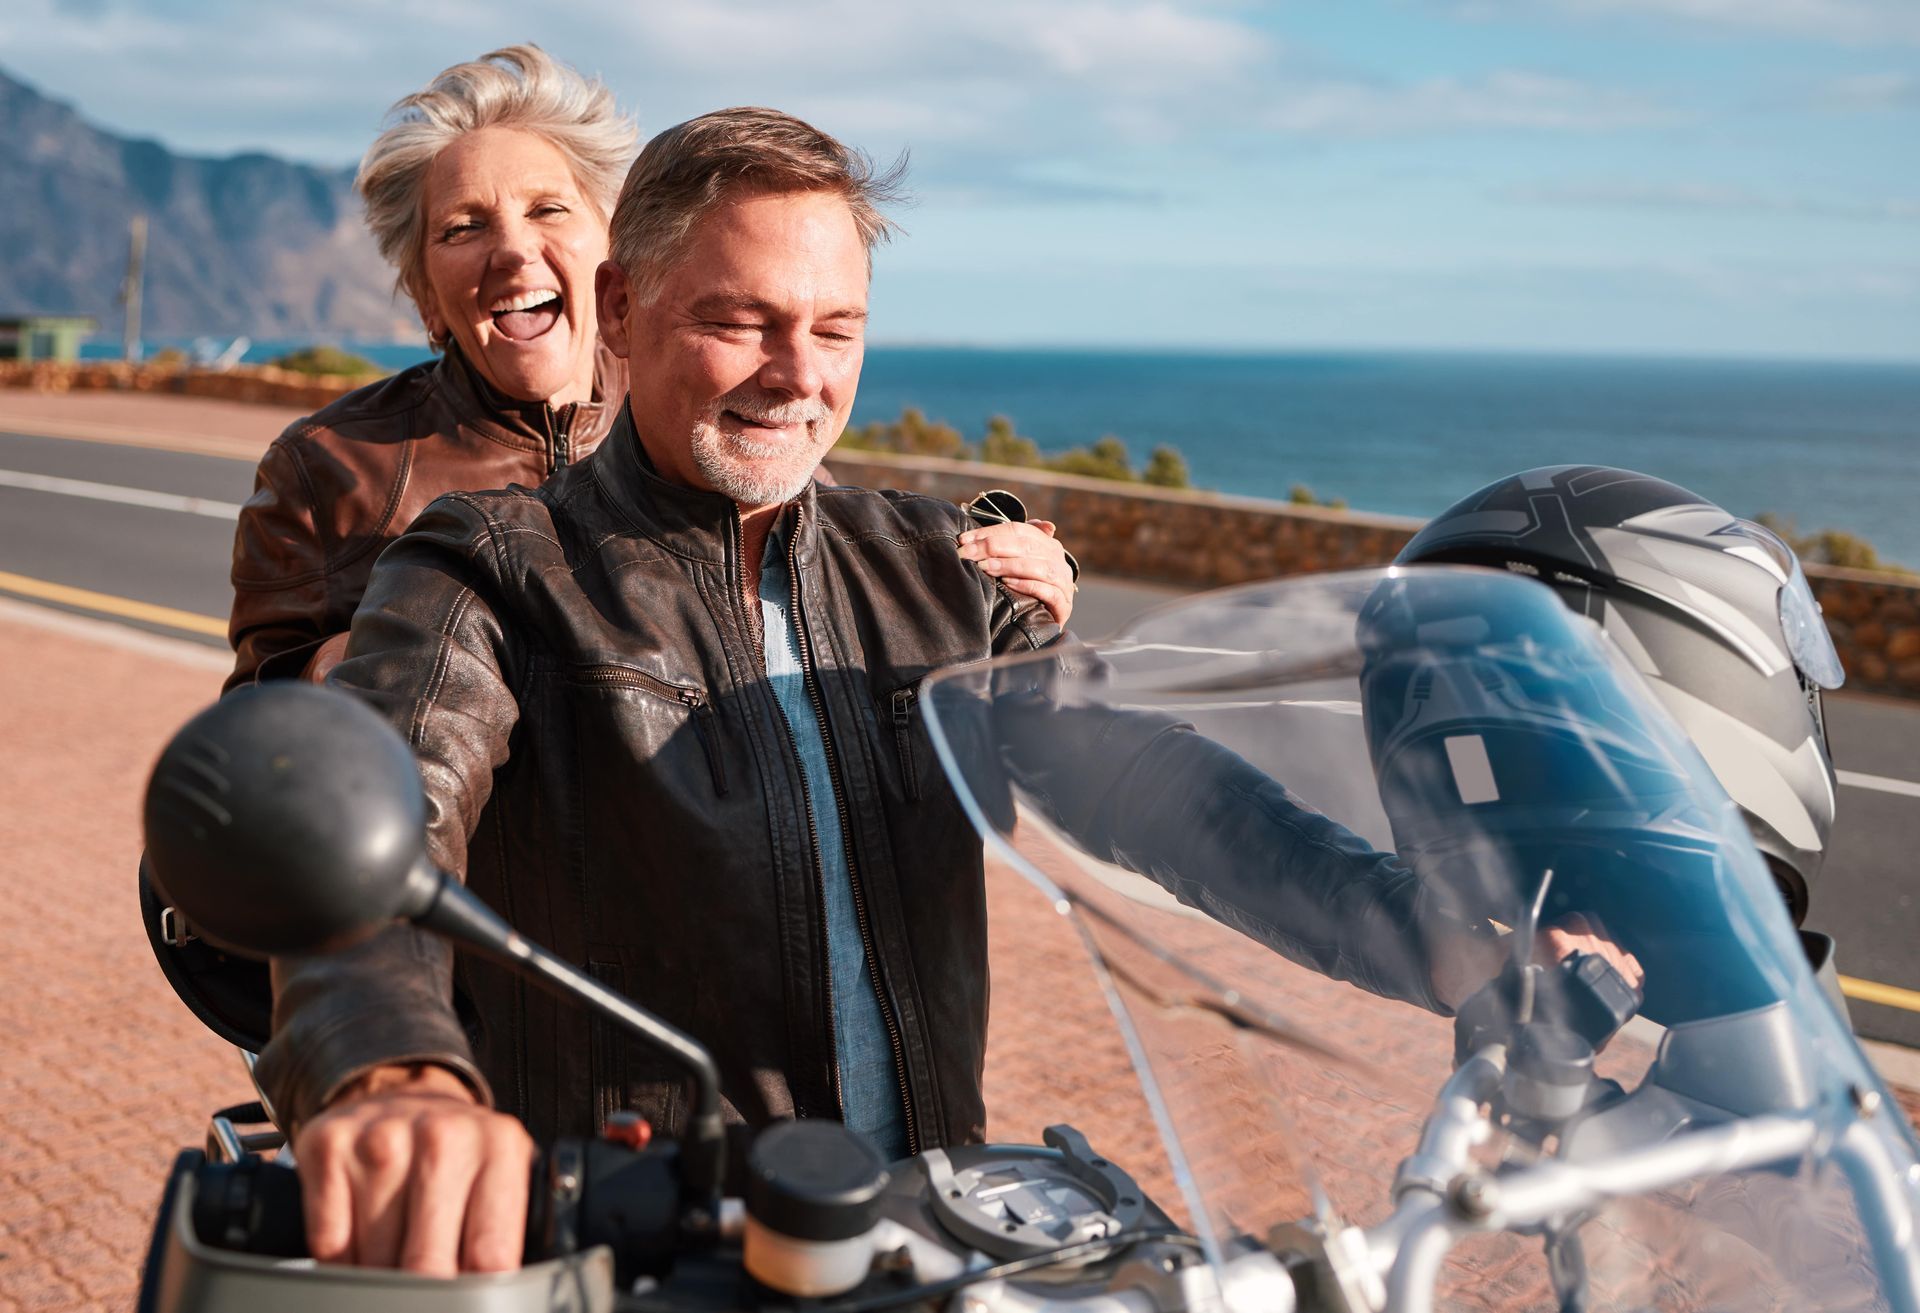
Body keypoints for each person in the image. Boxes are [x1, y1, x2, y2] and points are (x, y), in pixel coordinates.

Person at [256, 107, 1638, 1277]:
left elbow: (1166, 794)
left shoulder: (936, 570)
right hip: (649, 1251)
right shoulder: (495, 564)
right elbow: (374, 823)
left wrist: (1448, 940)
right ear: (623, 308)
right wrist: (392, 1076)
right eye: (740, 322)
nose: (798, 375)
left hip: (927, 1234)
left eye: (835, 328)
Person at [224, 47, 1078, 693]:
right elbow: (249, 751)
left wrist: (1008, 581)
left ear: (613, 256)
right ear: (425, 296)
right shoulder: (327, 467)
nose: (514, 248)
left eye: (548, 208)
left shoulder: (703, 408)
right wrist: (381, 653)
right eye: (462, 228)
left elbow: (821, 557)